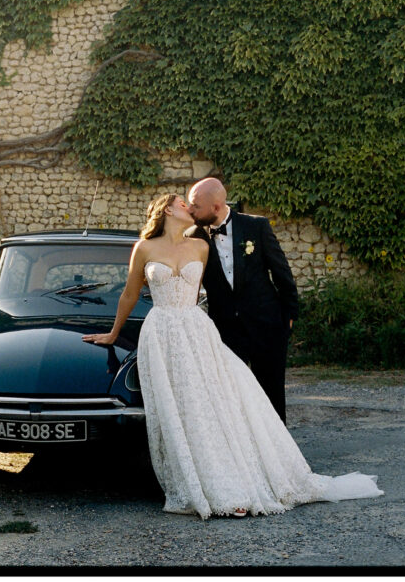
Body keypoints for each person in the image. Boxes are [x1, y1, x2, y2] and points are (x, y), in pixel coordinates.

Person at [83, 193, 382, 519]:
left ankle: (234, 481)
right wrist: (113, 333)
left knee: (217, 402)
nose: (189, 208)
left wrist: (280, 315)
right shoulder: (144, 248)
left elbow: (227, 285)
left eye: (192, 204)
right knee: (180, 407)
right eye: (184, 203)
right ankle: (195, 480)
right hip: (161, 333)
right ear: (167, 209)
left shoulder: (200, 246)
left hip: (197, 331)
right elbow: (129, 293)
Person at [184, 177, 297, 423]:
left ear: (216, 207)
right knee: (229, 396)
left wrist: (288, 316)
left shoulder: (256, 226)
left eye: (195, 205)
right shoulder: (193, 236)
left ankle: (275, 445)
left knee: (271, 393)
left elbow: (282, 272)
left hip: (266, 324)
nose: (190, 209)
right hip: (224, 329)